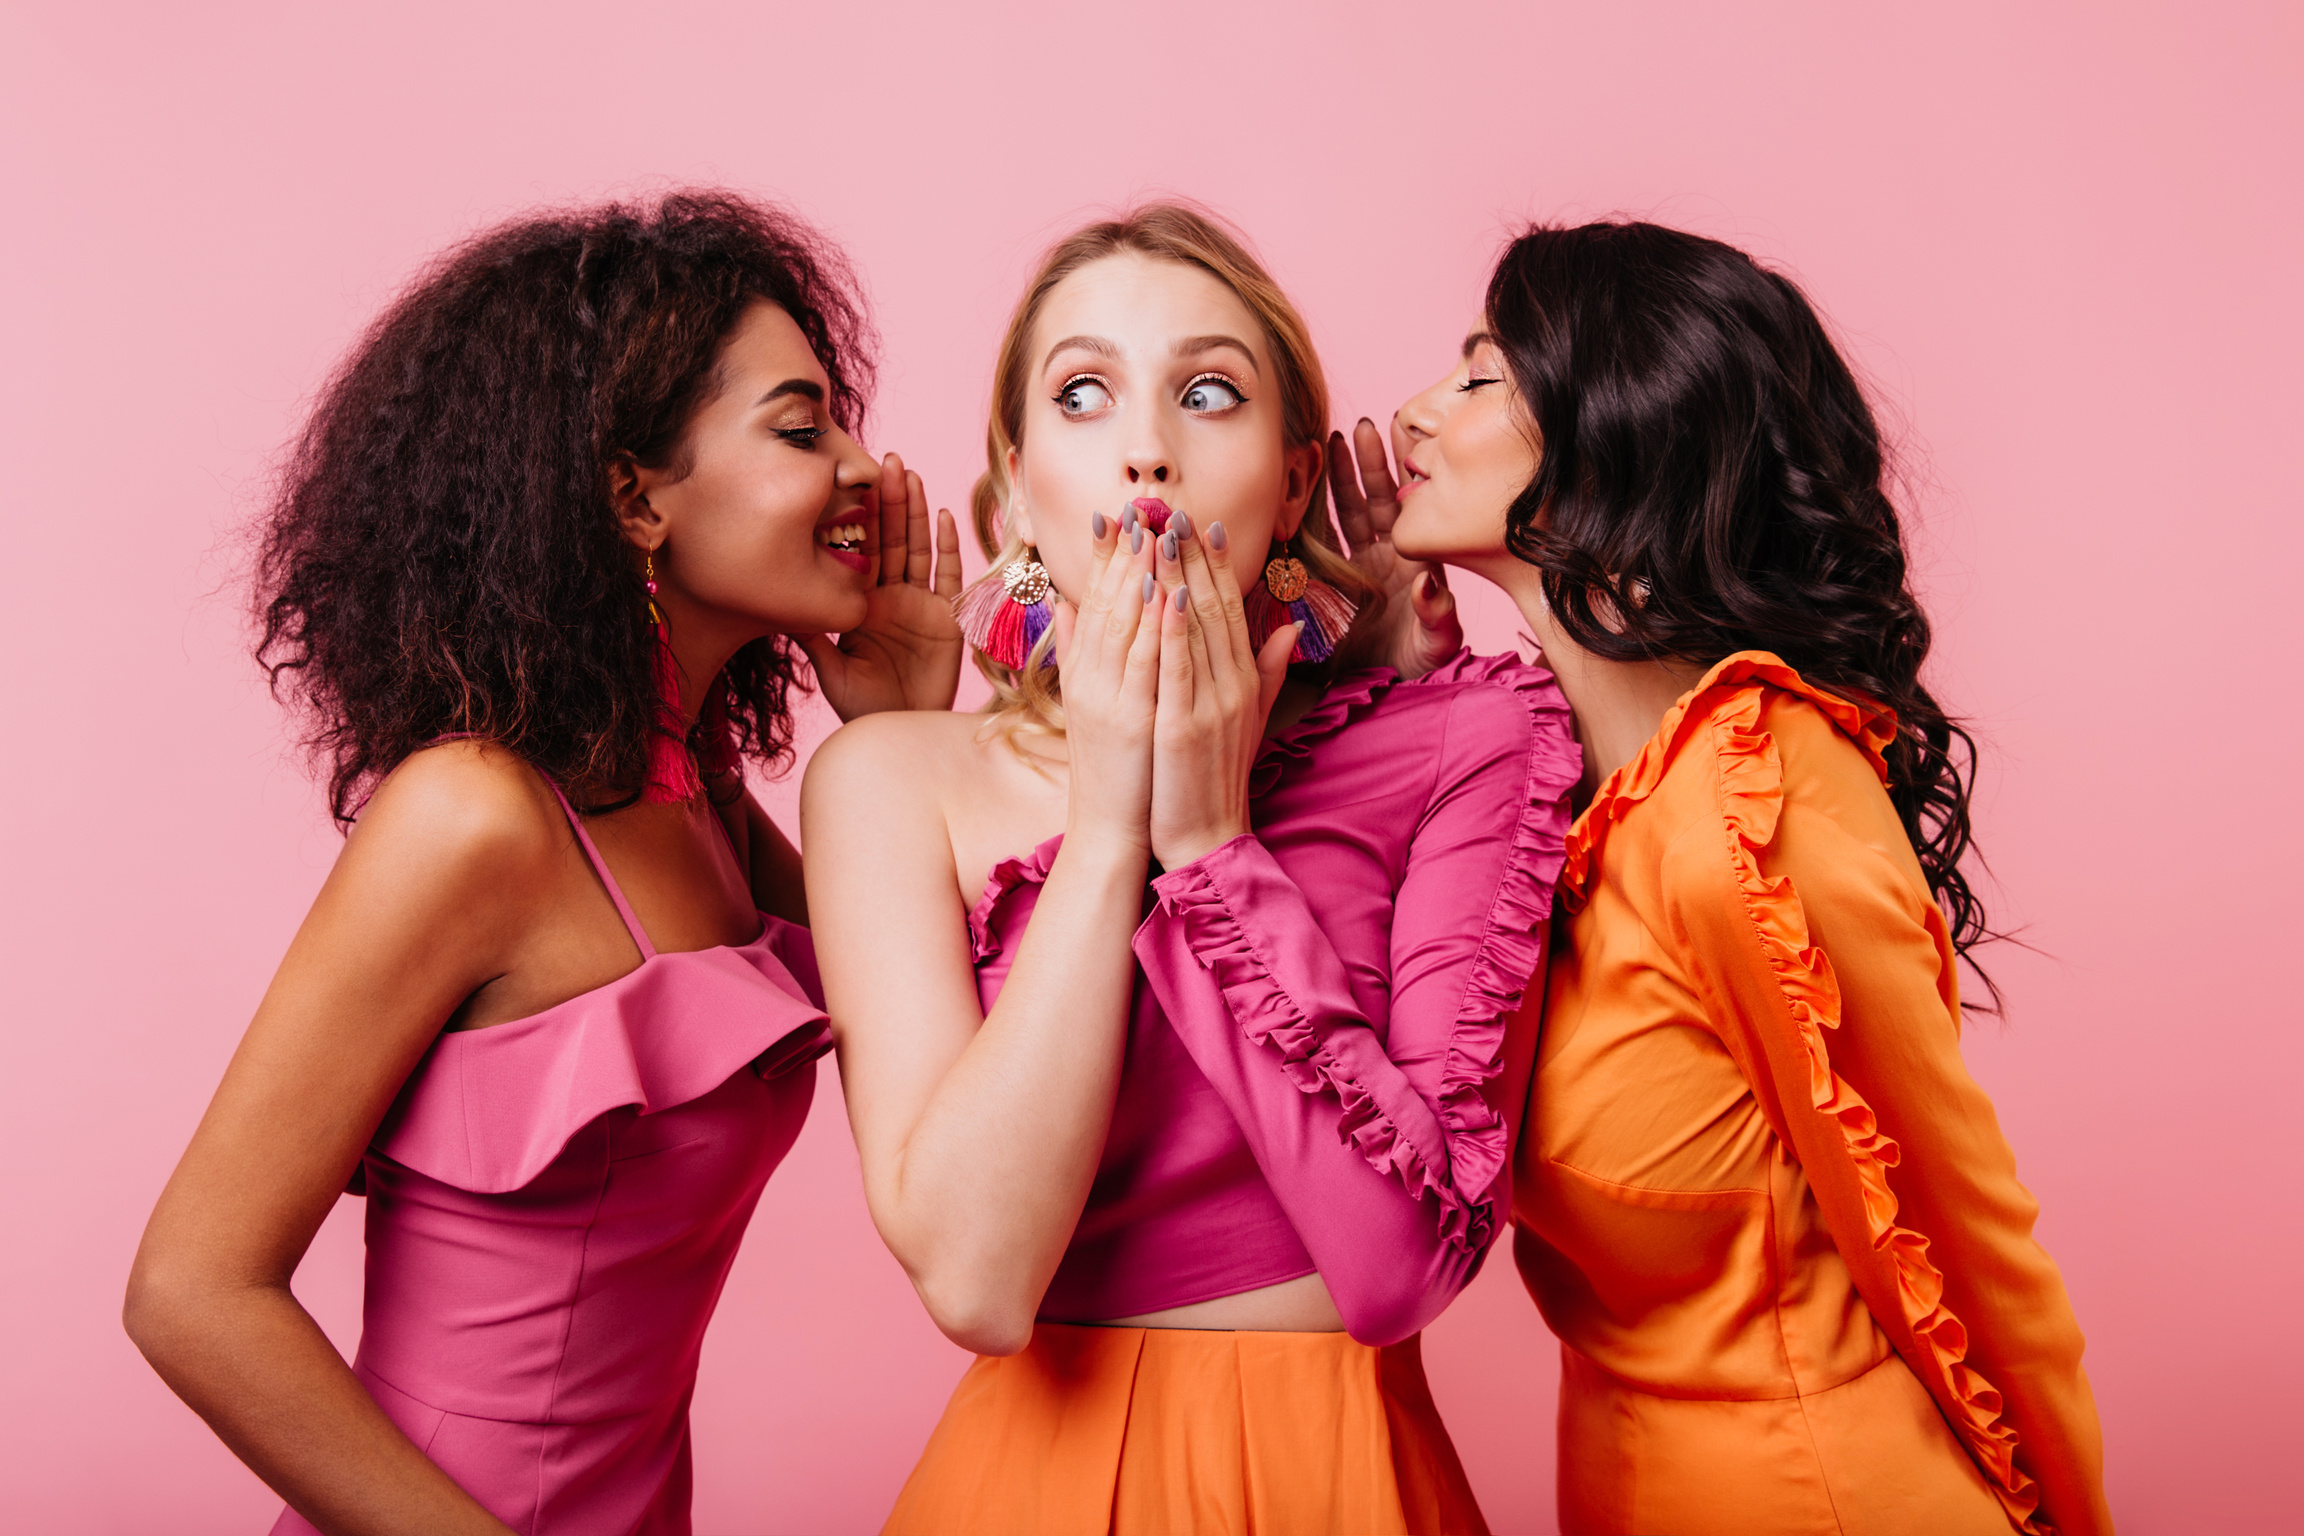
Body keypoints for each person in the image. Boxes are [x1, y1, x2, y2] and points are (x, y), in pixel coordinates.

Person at [123, 190, 963, 1536]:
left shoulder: (701, 799)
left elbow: (951, 1059)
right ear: (633, 498)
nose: (864, 469)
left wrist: (899, 748)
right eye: (803, 429)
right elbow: (189, 1291)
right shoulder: (474, 815)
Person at [803, 203, 1581, 1536]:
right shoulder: (891, 779)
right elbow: (978, 1283)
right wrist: (1116, 821)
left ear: (1294, 482)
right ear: (1016, 484)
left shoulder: (1468, 737)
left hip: (1338, 1485)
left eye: (1208, 392)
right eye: (1084, 394)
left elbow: (1402, 1269)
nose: (1148, 449)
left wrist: (1215, 838)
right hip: (1030, 1491)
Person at [1332, 218, 2112, 1535]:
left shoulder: (1753, 805)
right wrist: (1390, 682)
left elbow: (1971, 1246)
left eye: (1478, 378)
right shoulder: (1555, 800)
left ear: (1614, 444)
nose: (1413, 413)